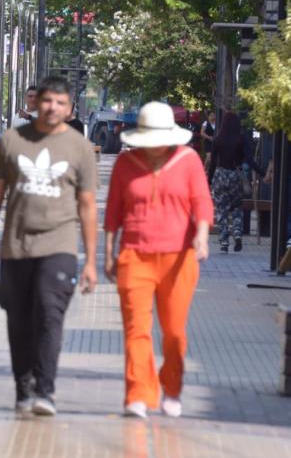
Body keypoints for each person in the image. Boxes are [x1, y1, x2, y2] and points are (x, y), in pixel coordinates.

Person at [0, 76, 98, 416]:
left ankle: (45, 390)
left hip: (59, 246)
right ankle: (22, 385)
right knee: (19, 319)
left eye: (60, 102)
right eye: (46, 100)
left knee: (49, 315)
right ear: (35, 103)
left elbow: (87, 206)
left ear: (69, 109)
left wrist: (90, 261)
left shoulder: (79, 147)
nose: (52, 107)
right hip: (16, 247)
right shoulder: (12, 141)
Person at [103, 101, 213, 419]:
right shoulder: (126, 163)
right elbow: (113, 210)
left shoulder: (188, 160)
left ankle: (173, 387)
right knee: (137, 328)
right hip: (134, 254)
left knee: (174, 331)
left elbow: (201, 201)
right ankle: (138, 393)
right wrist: (109, 252)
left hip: (179, 257)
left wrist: (202, 236)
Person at [208, 111, 264, 253]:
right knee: (237, 207)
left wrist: (209, 180)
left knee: (222, 210)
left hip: (220, 175)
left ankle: (224, 242)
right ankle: (238, 233)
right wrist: (262, 173)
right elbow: (250, 160)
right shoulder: (241, 139)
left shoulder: (218, 139)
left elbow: (213, 162)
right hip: (235, 175)